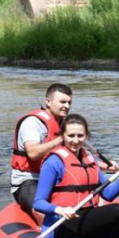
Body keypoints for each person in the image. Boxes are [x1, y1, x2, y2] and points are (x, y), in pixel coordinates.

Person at [32, 114, 119, 238]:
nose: (75, 140)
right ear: (63, 136)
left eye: (80, 136)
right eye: (71, 135)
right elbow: (38, 203)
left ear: (86, 136)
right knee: (118, 210)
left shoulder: (90, 161)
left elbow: (108, 194)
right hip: (62, 222)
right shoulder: (53, 162)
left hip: (85, 217)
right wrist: (60, 210)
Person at [10, 83, 72, 213]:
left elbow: (76, 156)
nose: (66, 106)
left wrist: (102, 166)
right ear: (48, 102)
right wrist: (60, 139)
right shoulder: (32, 122)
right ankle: (48, 228)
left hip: (56, 179)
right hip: (29, 181)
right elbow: (33, 153)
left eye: (69, 103)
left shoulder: (65, 124)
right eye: (62, 102)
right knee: (44, 210)